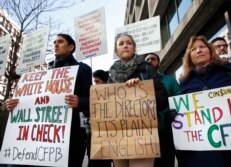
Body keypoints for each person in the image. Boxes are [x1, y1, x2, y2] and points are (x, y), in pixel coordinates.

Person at [6, 34, 92, 167]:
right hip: (44, 139)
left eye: (60, 42)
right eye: (54, 42)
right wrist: (15, 104)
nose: (56, 45)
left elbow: (92, 101)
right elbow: (34, 102)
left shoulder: (83, 69)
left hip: (71, 137)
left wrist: (80, 102)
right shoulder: (43, 74)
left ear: (70, 47)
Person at [177, 35, 231, 167]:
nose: (199, 50)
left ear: (210, 51)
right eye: (194, 49)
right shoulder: (184, 83)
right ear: (189, 57)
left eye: (202, 47)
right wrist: (175, 116)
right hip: (203, 155)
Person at [108, 33, 168, 167]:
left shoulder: (146, 68)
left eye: (129, 43)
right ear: (116, 51)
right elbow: (107, 105)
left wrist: (141, 88)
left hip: (142, 133)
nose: (125, 45)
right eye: (121, 43)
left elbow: (163, 99)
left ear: (134, 48)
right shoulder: (111, 73)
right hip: (117, 135)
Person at [145, 53, 180, 167]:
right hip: (145, 134)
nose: (150, 61)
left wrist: (171, 114)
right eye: (147, 60)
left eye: (153, 59)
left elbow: (179, 101)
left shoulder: (170, 80)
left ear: (158, 63)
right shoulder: (138, 82)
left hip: (166, 133)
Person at [86, 69, 112, 167]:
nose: (95, 84)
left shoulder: (113, 96)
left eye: (97, 81)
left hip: (107, 138)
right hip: (92, 137)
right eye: (94, 82)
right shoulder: (92, 95)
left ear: (105, 82)